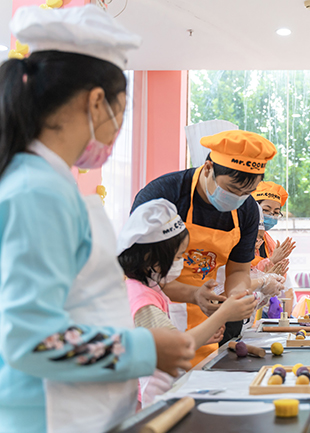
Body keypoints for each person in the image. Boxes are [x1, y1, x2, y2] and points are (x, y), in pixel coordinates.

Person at [0, 6, 195, 433]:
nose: (119, 124)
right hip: (49, 416)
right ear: (96, 101)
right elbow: (31, 339)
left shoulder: (47, 182)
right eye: (121, 109)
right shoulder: (37, 191)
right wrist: (145, 349)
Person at [132, 130, 284, 365]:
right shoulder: (164, 196)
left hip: (207, 319)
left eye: (247, 193)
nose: (238, 198)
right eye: (232, 189)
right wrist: (193, 295)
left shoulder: (246, 210)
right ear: (208, 168)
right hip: (154, 308)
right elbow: (139, 271)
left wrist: (236, 297)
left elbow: (238, 270)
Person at [117, 199, 258, 405]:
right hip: (151, 400)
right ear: (149, 257)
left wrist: (205, 336)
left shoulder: (150, 288)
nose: (182, 263)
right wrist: (224, 313)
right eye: (178, 256)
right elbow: (177, 346)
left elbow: (166, 337)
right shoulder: (142, 299)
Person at [251, 181, 296, 272]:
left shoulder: (268, 241)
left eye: (276, 212)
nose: (271, 216)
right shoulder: (238, 236)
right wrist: (271, 261)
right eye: (265, 210)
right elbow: (241, 272)